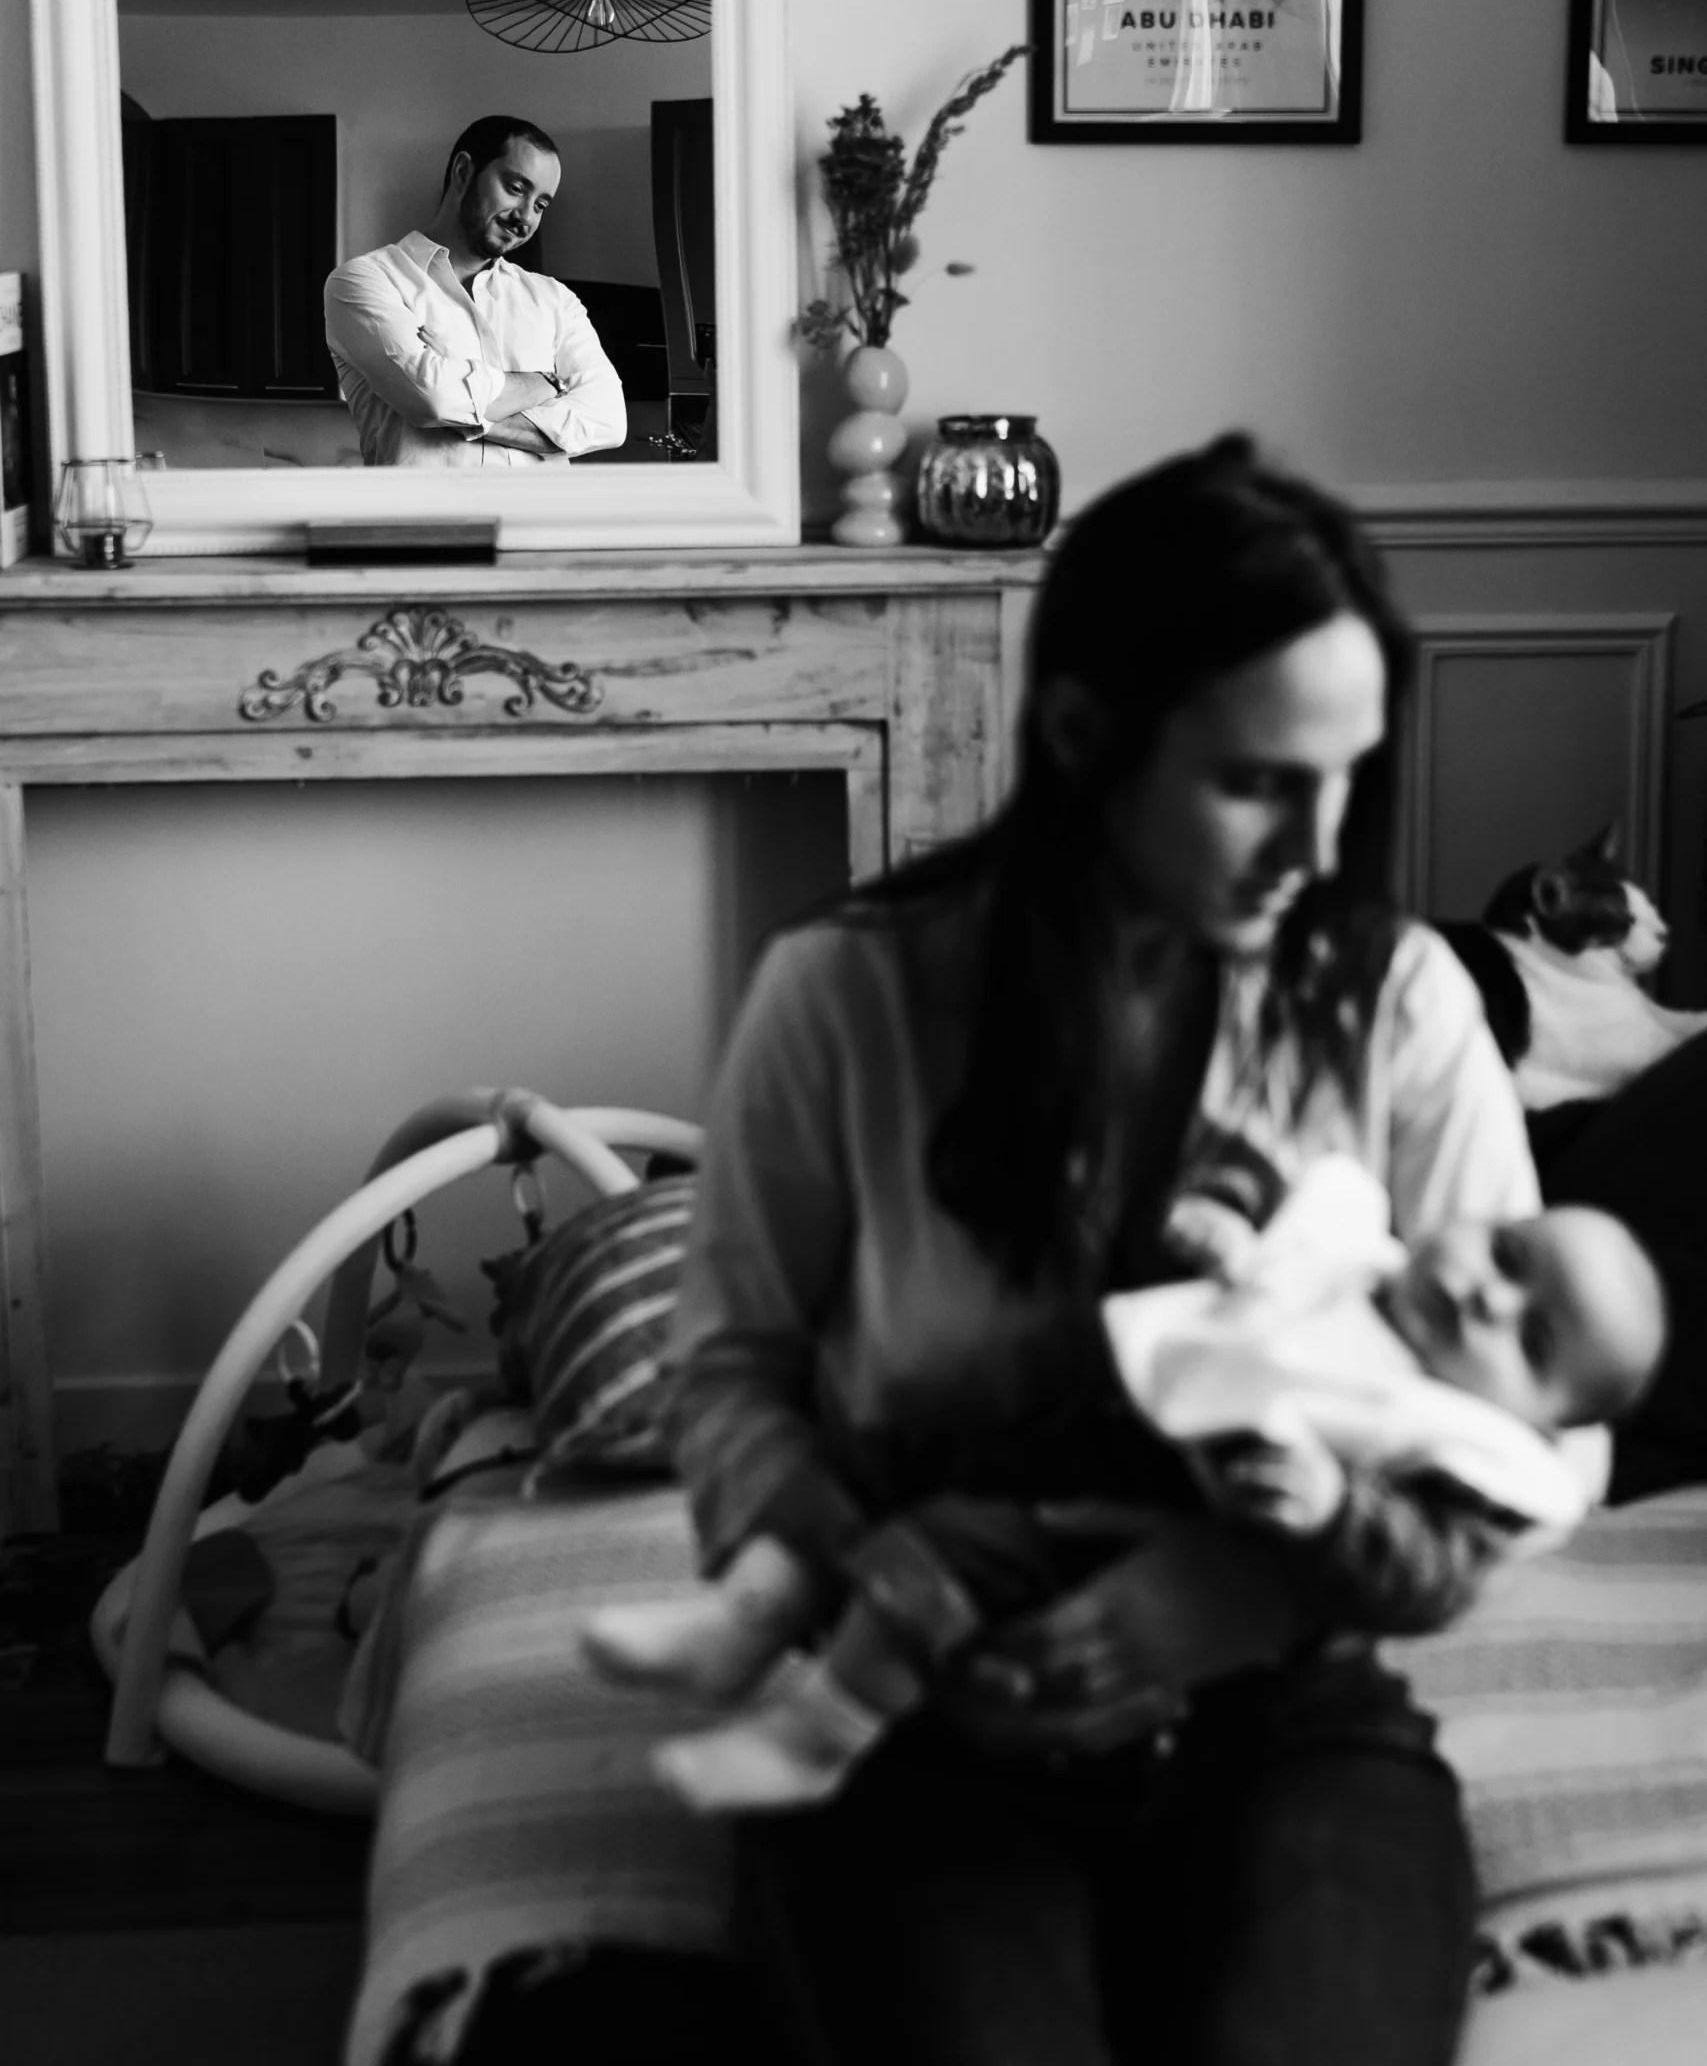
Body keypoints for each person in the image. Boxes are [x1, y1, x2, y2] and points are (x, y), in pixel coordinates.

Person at [637, 432, 1617, 2066]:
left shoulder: (1399, 1013)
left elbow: (1540, 1429)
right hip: (924, 1717)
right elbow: (730, 1375)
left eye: (1346, 783)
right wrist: (870, 1582)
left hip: (1287, 1706)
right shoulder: (847, 1000)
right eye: (1254, 782)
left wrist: (1238, 1593)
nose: (1318, 851)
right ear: (1087, 736)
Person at [586, 1168, 1662, 1816]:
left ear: (1539, 1422)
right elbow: (1220, 1223)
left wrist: (1335, 1513)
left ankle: (816, 1734)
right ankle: (747, 1617)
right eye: (1509, 1251)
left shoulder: (1456, 1447)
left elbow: (1428, 1574)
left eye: (1529, 1337)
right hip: (1062, 1413)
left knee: (948, 1550)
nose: (1483, 1291)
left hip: (1130, 1518)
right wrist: (1212, 1228)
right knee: (868, 1447)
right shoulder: (1346, 1253)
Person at [322, 114, 627, 468]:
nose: (525, 217)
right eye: (515, 188)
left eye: (541, 205)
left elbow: (609, 421)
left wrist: (460, 394)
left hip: (539, 521)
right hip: (423, 522)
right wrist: (547, 384)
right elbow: (433, 399)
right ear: (464, 171)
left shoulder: (555, 299)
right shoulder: (363, 281)